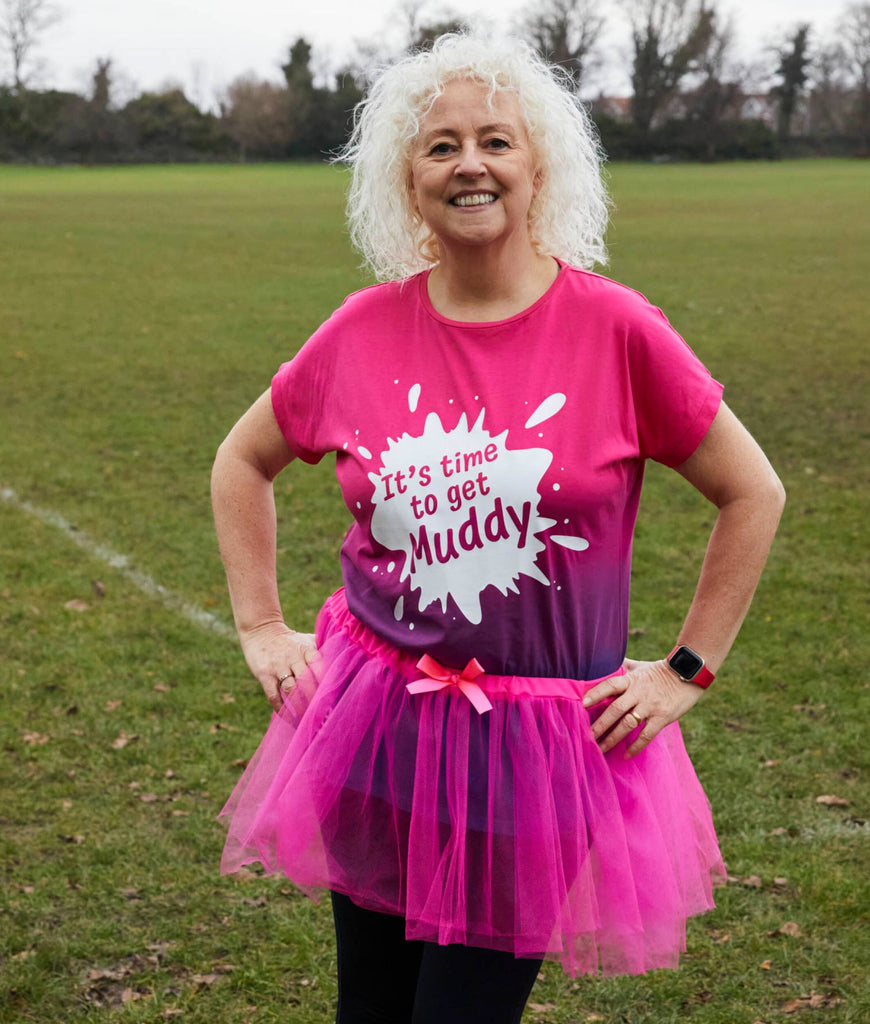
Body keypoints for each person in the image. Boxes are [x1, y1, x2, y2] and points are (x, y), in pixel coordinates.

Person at [212, 32, 785, 1024]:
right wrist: (261, 625)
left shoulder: (618, 331)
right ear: (408, 179)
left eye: (494, 141)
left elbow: (753, 491)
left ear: (538, 166)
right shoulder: (359, 330)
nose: (469, 163)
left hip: (534, 753)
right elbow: (241, 461)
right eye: (440, 146)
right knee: (373, 1008)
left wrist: (686, 669)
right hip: (377, 720)